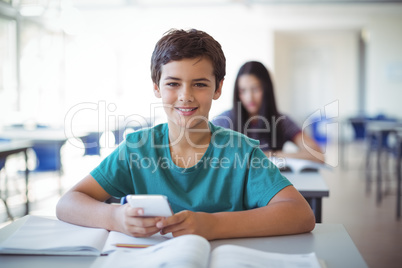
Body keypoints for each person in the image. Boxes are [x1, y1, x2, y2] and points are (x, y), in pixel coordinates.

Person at [56, 29, 315, 241]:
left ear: (218, 88)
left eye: (200, 84)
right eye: (173, 83)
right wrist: (115, 218)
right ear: (156, 87)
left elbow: (301, 214)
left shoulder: (242, 152)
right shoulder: (137, 149)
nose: (186, 96)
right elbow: (67, 203)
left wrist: (213, 225)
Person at [212, 61, 324, 163]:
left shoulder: (281, 121)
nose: (249, 97)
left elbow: (318, 155)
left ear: (266, 89)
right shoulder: (224, 122)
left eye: (255, 89)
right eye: (243, 91)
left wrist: (272, 155)